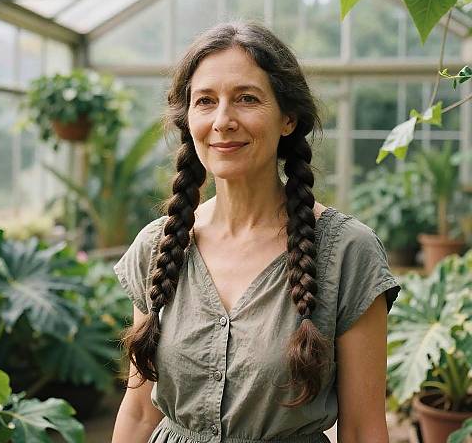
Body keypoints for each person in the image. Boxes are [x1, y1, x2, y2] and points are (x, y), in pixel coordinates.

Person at [111, 22, 401, 443]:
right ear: (188, 119)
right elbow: (138, 412)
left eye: (246, 99)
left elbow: (362, 429)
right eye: (205, 101)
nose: (223, 120)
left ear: (288, 118)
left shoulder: (346, 252)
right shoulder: (158, 246)